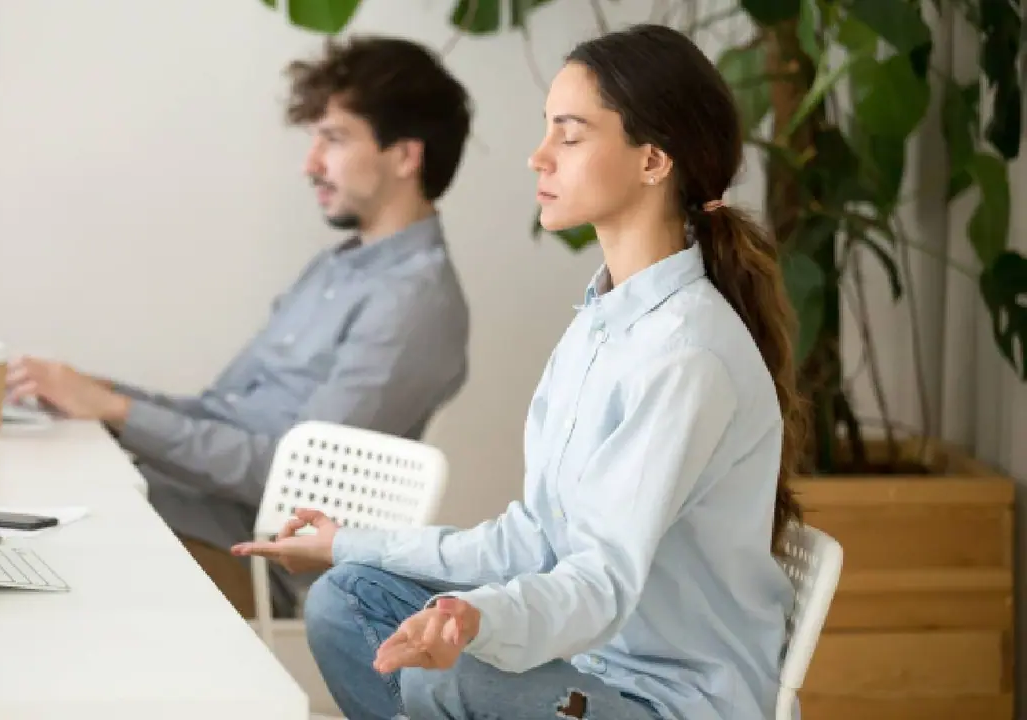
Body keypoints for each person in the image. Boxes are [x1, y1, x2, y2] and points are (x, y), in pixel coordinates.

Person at [232, 23, 807, 720]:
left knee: (451, 677)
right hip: (584, 664)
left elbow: (598, 582)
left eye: (569, 136)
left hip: (664, 699)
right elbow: (532, 539)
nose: (538, 158)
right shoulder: (600, 323)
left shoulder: (688, 354)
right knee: (345, 598)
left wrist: (476, 620)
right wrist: (346, 541)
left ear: (653, 160)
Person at [7, 35, 473, 620]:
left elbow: (296, 485)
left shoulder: (415, 304)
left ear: (405, 156)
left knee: (46, 546)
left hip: (256, 562)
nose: (310, 165)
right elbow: (220, 412)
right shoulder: (336, 268)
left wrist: (116, 412)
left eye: (332, 138)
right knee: (16, 498)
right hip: (194, 512)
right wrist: (97, 394)